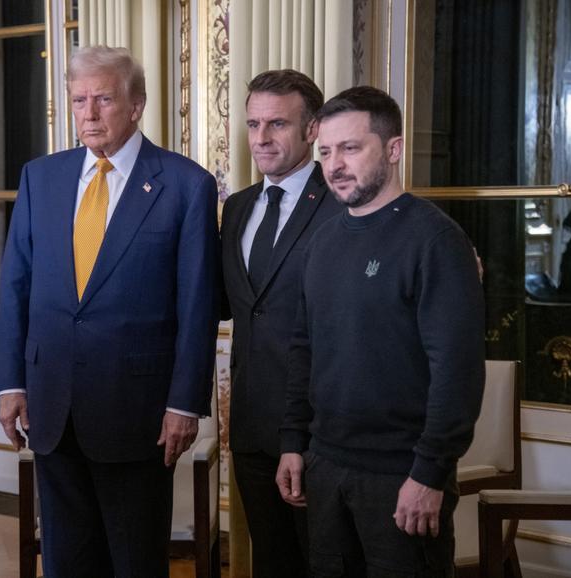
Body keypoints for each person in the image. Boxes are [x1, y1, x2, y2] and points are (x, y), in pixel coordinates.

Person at [0, 46, 220, 578]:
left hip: (137, 412)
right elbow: (15, 285)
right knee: (67, 561)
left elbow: (198, 305)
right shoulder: (40, 177)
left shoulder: (186, 185)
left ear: (136, 105)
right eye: (79, 101)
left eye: (103, 99)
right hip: (52, 407)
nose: (89, 114)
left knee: (135, 562)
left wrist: (185, 403)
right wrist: (11, 383)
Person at [276, 86, 485, 577]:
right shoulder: (322, 242)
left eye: (351, 148)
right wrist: (293, 441)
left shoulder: (435, 240)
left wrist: (430, 472)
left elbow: (456, 369)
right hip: (325, 465)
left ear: (393, 150)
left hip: (402, 473)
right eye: (325, 151)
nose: (334, 165)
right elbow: (304, 349)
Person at [221, 69, 342, 577]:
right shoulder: (237, 207)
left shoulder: (341, 203)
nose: (261, 139)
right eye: (253, 125)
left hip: (318, 429)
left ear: (312, 129)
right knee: (271, 563)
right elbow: (229, 304)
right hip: (249, 426)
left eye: (277, 124)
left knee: (325, 565)